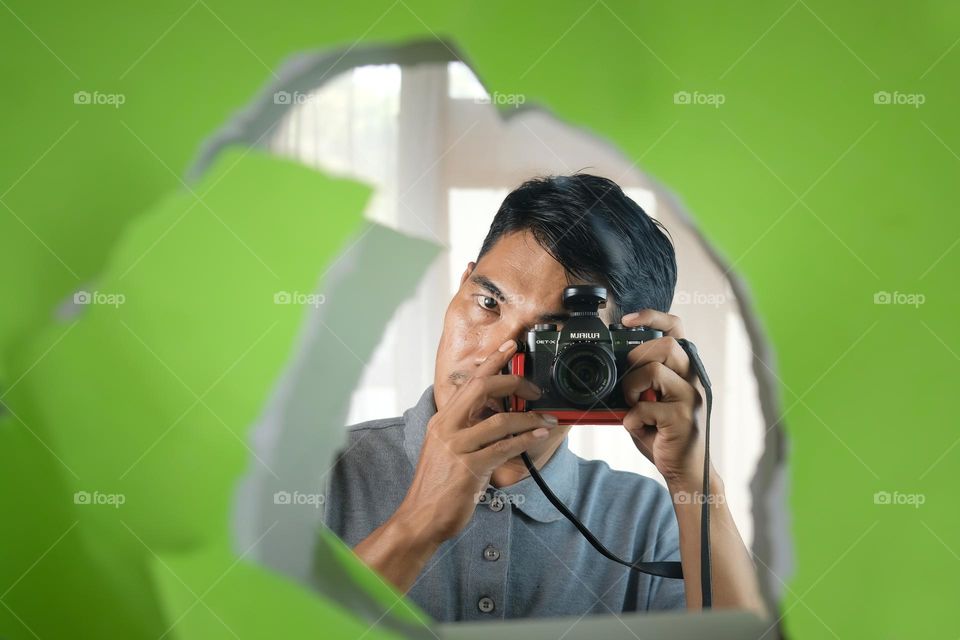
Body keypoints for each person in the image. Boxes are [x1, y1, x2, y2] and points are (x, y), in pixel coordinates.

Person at [321, 174, 765, 622]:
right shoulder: (317, 473)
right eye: (488, 304)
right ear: (462, 284)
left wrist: (698, 487)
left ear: (622, 360)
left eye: (548, 337)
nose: (498, 354)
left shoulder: (645, 519)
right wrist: (415, 525)